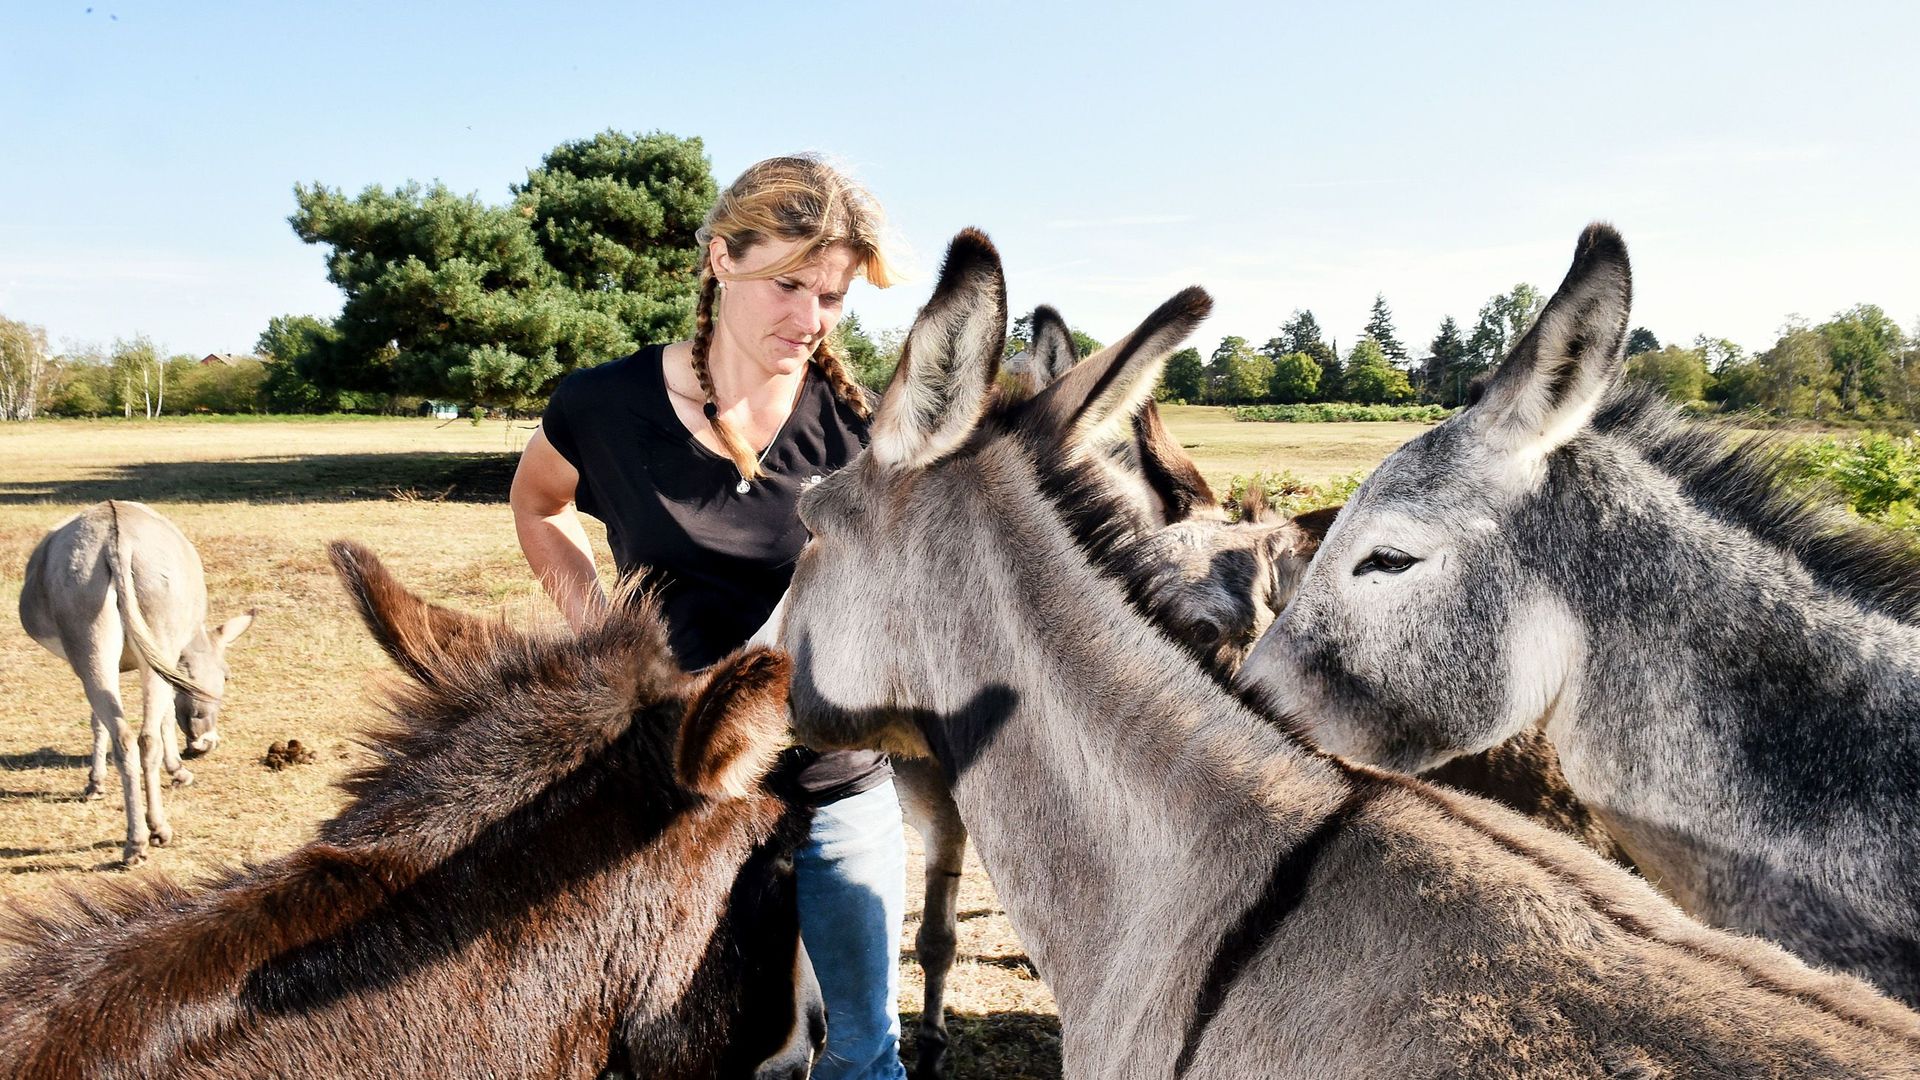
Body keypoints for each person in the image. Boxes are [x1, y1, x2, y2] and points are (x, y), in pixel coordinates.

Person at [510, 154, 908, 1080]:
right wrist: (603, 630)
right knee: (687, 1054)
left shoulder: (865, 431)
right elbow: (538, 504)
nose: (810, 320)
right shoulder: (602, 404)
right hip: (671, 787)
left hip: (835, 785)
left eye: (834, 297)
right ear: (720, 259)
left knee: (862, 1051)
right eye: (787, 284)